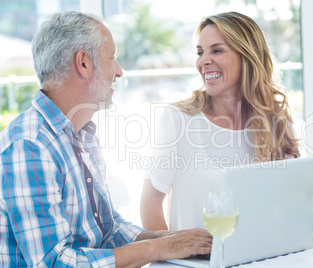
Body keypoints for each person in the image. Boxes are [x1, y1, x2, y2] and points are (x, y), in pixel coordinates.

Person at [0, 11, 211, 267]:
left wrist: (172, 239)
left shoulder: (82, 135)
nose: (119, 71)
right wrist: (158, 248)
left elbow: (108, 228)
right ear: (84, 63)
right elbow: (52, 262)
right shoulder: (29, 145)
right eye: (112, 58)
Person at [140, 11, 300, 231]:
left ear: (248, 56)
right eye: (200, 52)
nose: (203, 61)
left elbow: (292, 201)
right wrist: (172, 257)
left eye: (217, 50)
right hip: (194, 264)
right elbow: (150, 204)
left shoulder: (276, 121)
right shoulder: (178, 119)